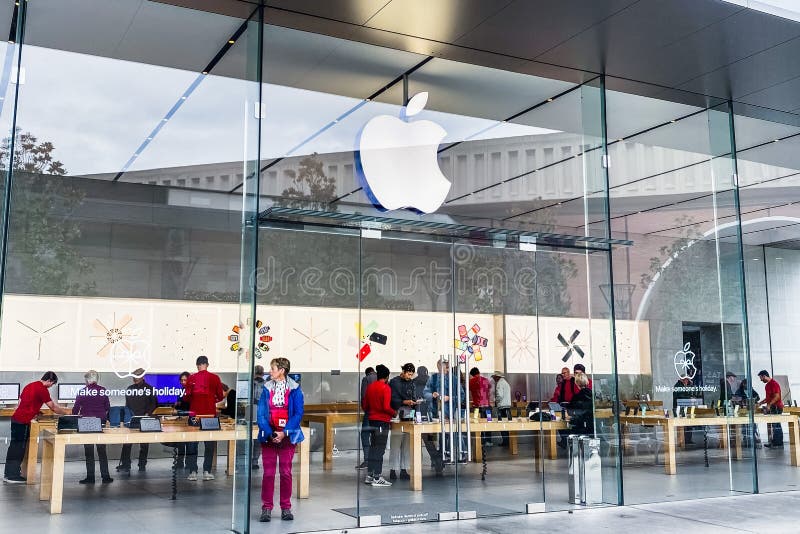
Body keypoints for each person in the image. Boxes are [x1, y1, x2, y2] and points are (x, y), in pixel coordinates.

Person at [257, 357, 304, 522]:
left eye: (273, 369)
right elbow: (261, 414)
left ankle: (286, 507)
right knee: (268, 474)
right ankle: (266, 508)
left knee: (286, 473)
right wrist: (269, 432)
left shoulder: (296, 389)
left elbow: (298, 413)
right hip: (269, 437)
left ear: (282, 370)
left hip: (287, 437)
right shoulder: (266, 389)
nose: (270, 372)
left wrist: (285, 432)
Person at [4, 371, 70, 484]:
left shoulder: (30, 385)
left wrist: (35, 410)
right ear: (49, 381)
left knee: (14, 446)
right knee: (19, 448)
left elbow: (22, 403)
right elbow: (53, 407)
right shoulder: (42, 389)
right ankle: (12, 476)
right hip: (22, 421)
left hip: (16, 419)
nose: (51, 386)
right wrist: (66, 414)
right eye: (52, 384)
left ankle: (9, 472)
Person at [183, 355, 224, 481]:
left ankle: (193, 472)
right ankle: (207, 471)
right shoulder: (215, 378)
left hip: (194, 415)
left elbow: (187, 397)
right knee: (209, 444)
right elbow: (221, 397)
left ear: (197, 365)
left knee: (192, 444)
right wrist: (212, 400)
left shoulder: (191, 378)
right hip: (210, 415)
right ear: (207, 364)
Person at [73, 370, 113, 484]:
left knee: (89, 451)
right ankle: (106, 477)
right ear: (97, 379)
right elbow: (107, 407)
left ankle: (90, 477)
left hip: (86, 423)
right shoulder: (103, 390)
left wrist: (75, 419)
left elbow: (76, 410)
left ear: (86, 380)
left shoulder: (82, 391)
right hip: (100, 422)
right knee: (102, 450)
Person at [424, 359, 467, 462]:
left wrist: (450, 398)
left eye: (447, 367)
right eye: (445, 367)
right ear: (439, 367)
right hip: (434, 413)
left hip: (449, 413)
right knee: (434, 436)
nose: (447, 370)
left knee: (451, 434)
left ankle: (456, 455)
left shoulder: (454, 379)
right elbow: (425, 393)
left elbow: (461, 395)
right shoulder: (432, 378)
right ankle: (437, 457)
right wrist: (432, 395)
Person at [117, 369, 157, 474]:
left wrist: (147, 414)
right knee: (127, 442)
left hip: (145, 418)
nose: (135, 378)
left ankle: (142, 465)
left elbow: (154, 404)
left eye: (137, 376)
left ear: (143, 377)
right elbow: (127, 406)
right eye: (134, 376)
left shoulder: (150, 389)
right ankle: (126, 464)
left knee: (144, 443)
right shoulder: (130, 389)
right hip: (132, 419)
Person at [362, 364, 395, 487]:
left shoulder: (370, 387)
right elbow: (386, 407)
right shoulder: (385, 388)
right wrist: (394, 413)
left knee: (373, 447)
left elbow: (365, 405)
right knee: (380, 449)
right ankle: (377, 476)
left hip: (371, 420)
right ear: (386, 376)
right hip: (382, 421)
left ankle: (370, 475)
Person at [388, 363, 416, 480]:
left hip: (409, 413)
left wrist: (414, 401)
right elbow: (392, 399)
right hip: (397, 413)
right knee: (395, 443)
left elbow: (414, 395)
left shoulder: (411, 382)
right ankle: (393, 469)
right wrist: (405, 402)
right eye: (408, 374)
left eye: (411, 375)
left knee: (407, 443)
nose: (410, 376)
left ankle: (404, 469)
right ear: (403, 371)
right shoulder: (394, 382)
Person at [758, 370, 784, 447]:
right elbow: (768, 398)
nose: (761, 380)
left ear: (764, 376)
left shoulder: (774, 384)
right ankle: (775, 442)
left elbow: (777, 397)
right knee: (774, 425)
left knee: (776, 425)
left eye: (761, 377)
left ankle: (778, 443)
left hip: (776, 407)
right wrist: (760, 403)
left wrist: (769, 405)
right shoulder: (767, 385)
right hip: (773, 406)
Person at [358, 366, 377, 470]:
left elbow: (364, 396)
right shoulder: (381, 378)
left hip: (370, 411)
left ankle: (367, 460)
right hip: (380, 413)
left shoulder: (366, 379)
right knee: (375, 436)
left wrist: (365, 409)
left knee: (365, 434)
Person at [174, 371, 191, 469]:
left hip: (189, 418)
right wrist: (177, 405)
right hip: (181, 418)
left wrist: (180, 404)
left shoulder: (192, 391)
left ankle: (189, 463)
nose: (183, 382)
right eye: (181, 380)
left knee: (189, 442)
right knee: (180, 442)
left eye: (185, 380)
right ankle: (180, 462)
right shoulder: (181, 391)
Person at [492, 370, 512, 446]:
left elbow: (499, 395)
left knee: (502, 425)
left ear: (497, 377)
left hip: (502, 407)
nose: (493, 379)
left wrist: (495, 400)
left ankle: (505, 442)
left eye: (494, 377)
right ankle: (508, 442)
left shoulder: (499, 384)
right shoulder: (506, 383)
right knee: (508, 425)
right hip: (507, 407)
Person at [252, 365, 265, 470]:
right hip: (262, 413)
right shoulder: (267, 384)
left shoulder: (250, 383)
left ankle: (246, 460)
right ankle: (255, 461)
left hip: (250, 410)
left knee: (246, 435)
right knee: (258, 438)